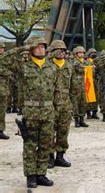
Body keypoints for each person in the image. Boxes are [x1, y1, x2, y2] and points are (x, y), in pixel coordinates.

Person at [19, 37, 57, 188]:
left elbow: (57, 90)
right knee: (30, 144)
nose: (41, 49)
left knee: (45, 144)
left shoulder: (51, 67)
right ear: (31, 49)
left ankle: (41, 174)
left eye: (43, 47)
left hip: (48, 111)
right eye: (38, 46)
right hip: (31, 111)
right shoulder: (23, 66)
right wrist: (24, 48)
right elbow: (5, 61)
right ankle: (31, 176)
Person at [48, 40, 77, 168]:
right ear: (52, 52)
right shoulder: (47, 65)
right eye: (59, 50)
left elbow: (74, 86)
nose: (61, 53)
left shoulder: (69, 66)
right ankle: (49, 156)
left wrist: (72, 103)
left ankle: (60, 156)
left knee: (63, 131)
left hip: (65, 104)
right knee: (49, 132)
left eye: (64, 50)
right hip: (51, 103)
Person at [71, 46, 90, 128]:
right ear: (76, 54)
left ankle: (82, 119)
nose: (81, 54)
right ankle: (76, 120)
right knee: (76, 102)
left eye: (82, 52)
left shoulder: (86, 62)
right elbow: (79, 69)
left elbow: (92, 70)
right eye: (79, 53)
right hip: (76, 85)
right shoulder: (74, 62)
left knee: (83, 102)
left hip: (85, 84)